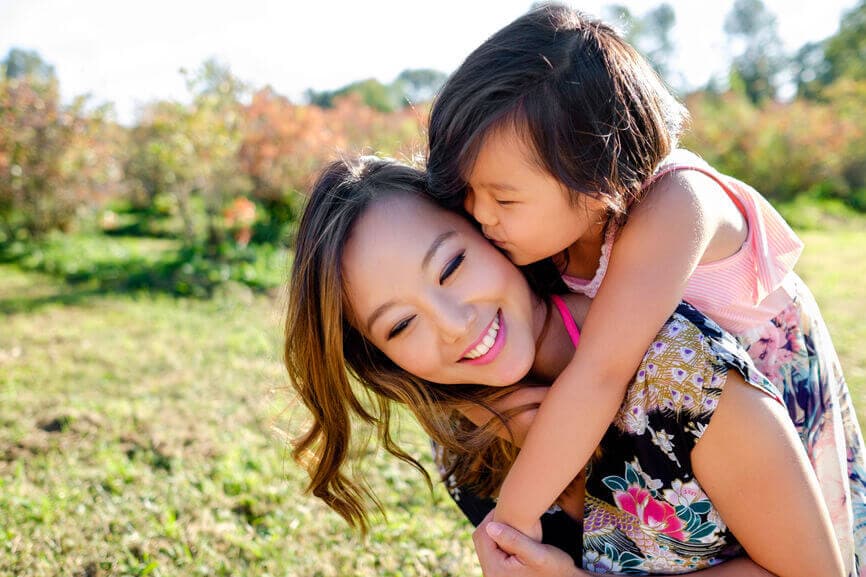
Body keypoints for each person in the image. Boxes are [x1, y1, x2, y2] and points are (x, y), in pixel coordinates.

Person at [425, 3, 866, 573]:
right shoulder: (549, 235)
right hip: (693, 426)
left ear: (595, 175)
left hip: (772, 408)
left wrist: (510, 525)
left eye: (504, 198)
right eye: (469, 190)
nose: (480, 215)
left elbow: (602, 372)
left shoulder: (675, 202)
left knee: (801, 548)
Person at [284, 155, 846, 576]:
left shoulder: (680, 374)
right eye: (401, 325)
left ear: (490, 227)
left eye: (451, 266)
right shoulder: (464, 433)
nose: (453, 323)